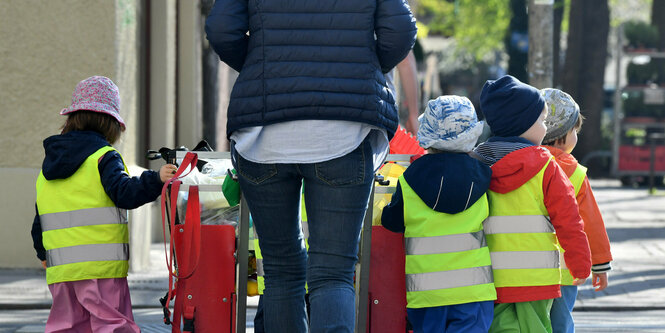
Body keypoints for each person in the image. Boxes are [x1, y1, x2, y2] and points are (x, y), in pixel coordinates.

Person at [205, 0, 417, 331]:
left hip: (263, 133)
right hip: (346, 129)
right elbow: (400, 30)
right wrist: (363, 67)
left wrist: (260, 65)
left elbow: (221, 29)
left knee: (280, 270)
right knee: (333, 272)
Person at [30, 76, 177, 332]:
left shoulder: (48, 168)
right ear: (111, 124)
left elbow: (39, 219)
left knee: (67, 327)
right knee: (111, 325)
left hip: (61, 272)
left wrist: (44, 255)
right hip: (101, 269)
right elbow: (124, 192)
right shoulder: (103, 157)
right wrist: (156, 179)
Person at [470, 75, 591, 333]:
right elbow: (569, 219)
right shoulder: (547, 167)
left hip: (489, 278)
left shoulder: (476, 163)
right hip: (537, 279)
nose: (546, 128)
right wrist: (580, 261)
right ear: (523, 124)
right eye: (541, 121)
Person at [381, 95, 496, 332]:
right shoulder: (484, 177)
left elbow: (391, 221)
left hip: (426, 295)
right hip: (472, 291)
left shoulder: (410, 178)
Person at [540, 88, 613, 333]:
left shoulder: (523, 164)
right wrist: (600, 265)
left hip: (524, 269)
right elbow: (591, 222)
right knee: (561, 323)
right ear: (563, 134)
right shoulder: (575, 173)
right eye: (575, 130)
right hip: (565, 270)